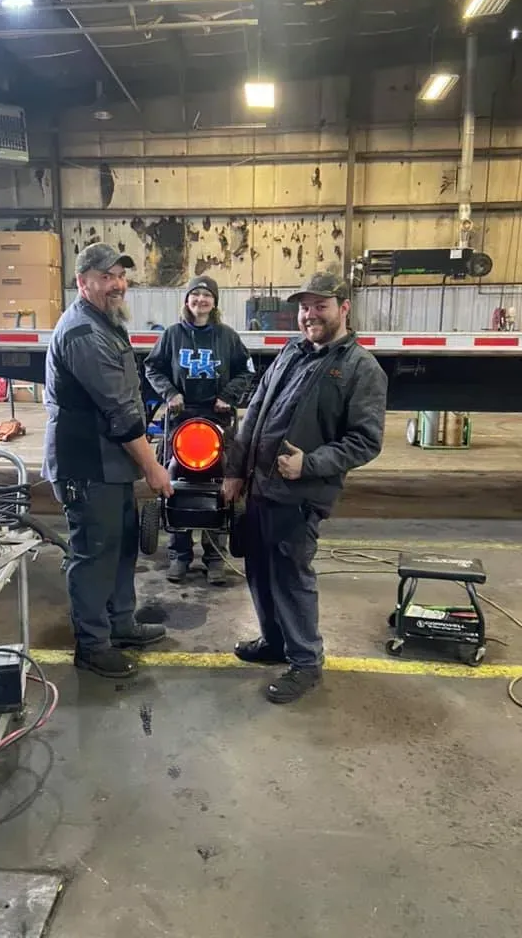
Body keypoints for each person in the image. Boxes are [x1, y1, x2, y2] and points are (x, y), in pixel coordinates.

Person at [222, 272, 388, 704]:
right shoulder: (291, 352)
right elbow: (256, 412)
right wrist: (235, 470)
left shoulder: (361, 369)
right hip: (260, 487)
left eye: (320, 306)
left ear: (344, 308)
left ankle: (306, 661)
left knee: (291, 576)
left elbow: (365, 441)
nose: (310, 315)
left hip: (299, 494)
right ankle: (274, 641)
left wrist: (309, 464)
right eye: (304, 307)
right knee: (259, 570)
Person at [43, 242, 173, 680]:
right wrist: (153, 467)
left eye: (120, 275)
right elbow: (119, 411)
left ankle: (121, 624)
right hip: (86, 465)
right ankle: (93, 645)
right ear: (83, 282)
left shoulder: (106, 322)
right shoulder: (83, 333)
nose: (117, 284)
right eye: (106, 277)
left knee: (121, 546)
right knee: (94, 554)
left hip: (109, 464)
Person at [143, 275, 254, 585]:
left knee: (220, 484)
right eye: (196, 294)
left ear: (214, 302)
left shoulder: (227, 337)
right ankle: (179, 556)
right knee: (175, 482)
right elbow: (152, 367)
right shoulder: (172, 335)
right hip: (181, 416)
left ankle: (214, 558)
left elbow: (246, 370)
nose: (201, 300)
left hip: (217, 417)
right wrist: (170, 394)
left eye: (207, 295)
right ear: (187, 300)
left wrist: (228, 396)